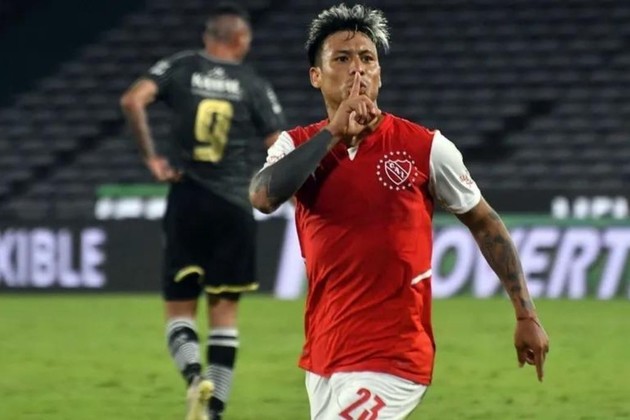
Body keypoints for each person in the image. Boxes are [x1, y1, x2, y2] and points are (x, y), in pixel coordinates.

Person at [249, 3, 549, 419]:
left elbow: (485, 221)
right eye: (342, 59)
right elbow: (263, 197)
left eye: (367, 59)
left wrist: (526, 314)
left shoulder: (426, 148)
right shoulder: (296, 145)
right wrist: (333, 132)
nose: (358, 69)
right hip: (325, 351)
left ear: (380, 74)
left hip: (394, 355)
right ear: (316, 76)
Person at [119, 3, 286, 419]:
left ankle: (194, 376)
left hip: (188, 199)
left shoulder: (182, 67)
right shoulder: (252, 83)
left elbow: (132, 100)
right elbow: (278, 145)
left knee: (179, 308)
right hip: (235, 205)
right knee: (224, 314)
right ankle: (213, 412)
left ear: (208, 37)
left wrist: (151, 158)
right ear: (240, 40)